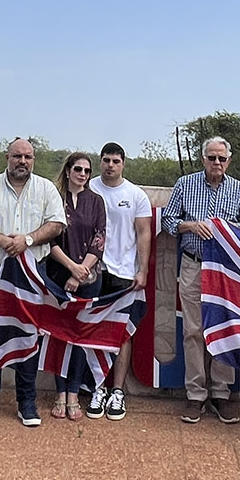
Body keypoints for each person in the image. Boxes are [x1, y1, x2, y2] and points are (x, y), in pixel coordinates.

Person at [0, 138, 64, 430]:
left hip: (32, 273)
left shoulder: (46, 189)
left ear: (34, 160)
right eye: (17, 156)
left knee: (29, 335)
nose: (23, 161)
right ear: (7, 157)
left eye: (28, 157)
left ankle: (27, 402)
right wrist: (4, 242)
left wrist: (27, 240)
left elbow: (57, 224)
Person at [161, 137, 240, 424]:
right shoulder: (185, 184)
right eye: (212, 157)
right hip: (193, 264)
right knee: (193, 330)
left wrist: (227, 228)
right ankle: (195, 394)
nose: (217, 162)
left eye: (221, 158)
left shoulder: (238, 189)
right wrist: (191, 226)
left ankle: (221, 393)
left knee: (223, 328)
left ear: (229, 161)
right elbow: (168, 220)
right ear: (203, 159)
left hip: (225, 272)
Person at [88, 142, 152, 420]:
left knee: (123, 333)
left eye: (115, 161)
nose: (110, 165)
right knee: (94, 330)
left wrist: (143, 270)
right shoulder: (89, 188)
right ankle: (98, 388)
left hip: (125, 273)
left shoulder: (135, 195)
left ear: (123, 163)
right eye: (106, 160)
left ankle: (117, 391)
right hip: (93, 271)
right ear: (100, 162)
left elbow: (144, 233)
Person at [46, 152, 106, 421]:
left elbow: (99, 239)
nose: (82, 174)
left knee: (81, 335)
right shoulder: (54, 199)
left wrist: (81, 272)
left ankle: (73, 393)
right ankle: (60, 392)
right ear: (68, 170)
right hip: (58, 275)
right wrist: (71, 268)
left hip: (90, 278)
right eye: (78, 169)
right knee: (59, 334)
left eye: (87, 171)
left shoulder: (96, 201)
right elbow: (49, 240)